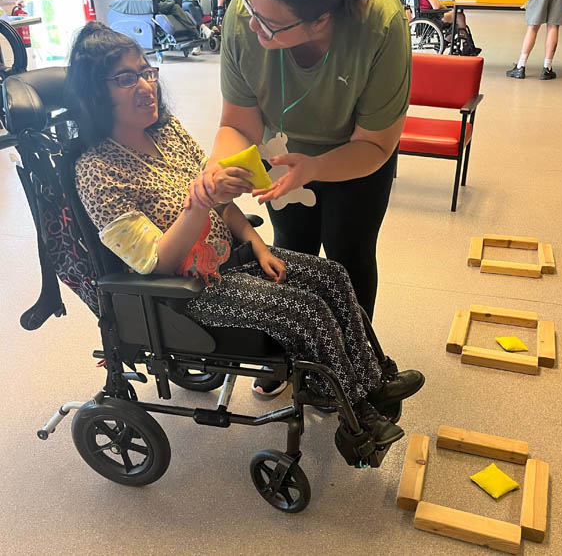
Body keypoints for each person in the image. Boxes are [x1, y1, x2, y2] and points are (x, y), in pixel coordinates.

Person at [66, 22, 424, 448]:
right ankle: (358, 420)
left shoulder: (167, 132)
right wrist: (197, 205)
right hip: (189, 291)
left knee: (333, 276)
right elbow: (156, 261)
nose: (146, 85)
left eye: (147, 71)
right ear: (94, 92)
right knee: (306, 310)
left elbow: (218, 199)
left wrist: (255, 243)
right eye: (126, 78)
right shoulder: (97, 173)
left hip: (234, 257)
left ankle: (370, 379)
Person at [190, 0, 410, 330]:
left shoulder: (381, 24)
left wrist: (313, 168)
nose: (253, 27)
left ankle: (355, 360)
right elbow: (238, 124)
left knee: (350, 254)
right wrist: (218, 167)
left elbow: (374, 145)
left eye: (269, 25)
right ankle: (293, 351)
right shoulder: (248, 17)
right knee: (291, 248)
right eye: (250, 9)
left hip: (356, 153)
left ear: (320, 19)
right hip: (283, 148)